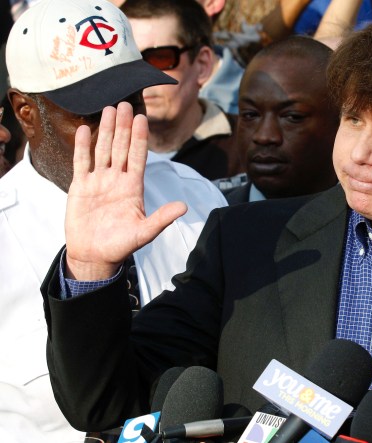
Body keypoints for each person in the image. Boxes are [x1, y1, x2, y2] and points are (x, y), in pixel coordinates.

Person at [40, 8, 372, 430]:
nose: (361, 154)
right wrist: (91, 270)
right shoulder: (246, 242)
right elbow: (104, 405)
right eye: (354, 121)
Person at [0, 0, 228, 441]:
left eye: (131, 100)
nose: (120, 125)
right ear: (26, 112)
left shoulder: (193, 193)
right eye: (90, 112)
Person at [121, 0, 241, 179]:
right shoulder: (93, 151)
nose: (141, 76)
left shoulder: (250, 144)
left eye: (159, 58)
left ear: (202, 65)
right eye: (127, 60)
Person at [217, 36, 339, 204]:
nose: (264, 136)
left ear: (340, 122)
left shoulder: (371, 225)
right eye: (250, 115)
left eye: (292, 117)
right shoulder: (204, 218)